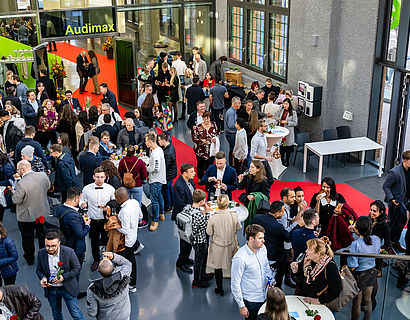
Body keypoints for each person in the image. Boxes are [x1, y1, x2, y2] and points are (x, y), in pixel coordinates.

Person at [36, 232, 84, 320]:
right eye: (47, 246)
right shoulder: (41, 253)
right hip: (51, 289)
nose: (50, 248)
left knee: (76, 314)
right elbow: (39, 270)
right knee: (56, 314)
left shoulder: (69, 252)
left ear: (59, 243)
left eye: (53, 246)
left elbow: (77, 268)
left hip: (68, 288)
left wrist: (63, 277)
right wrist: (43, 278)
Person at [12, 160, 50, 265]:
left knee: (27, 238)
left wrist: (14, 193)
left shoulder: (21, 184)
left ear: (22, 169)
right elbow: (48, 187)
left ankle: (30, 258)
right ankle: (45, 256)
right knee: (43, 236)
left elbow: (16, 200)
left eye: (18, 169)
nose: (17, 171)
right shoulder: (42, 175)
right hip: (42, 212)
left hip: (26, 216)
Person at [231, 224, 272, 320]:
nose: (263, 241)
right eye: (260, 238)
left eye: (263, 238)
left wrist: (270, 282)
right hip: (251, 301)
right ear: (251, 239)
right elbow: (235, 283)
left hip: (266, 297)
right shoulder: (240, 258)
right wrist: (242, 306)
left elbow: (266, 268)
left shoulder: (263, 249)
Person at [80, 167, 115, 271]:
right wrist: (82, 204)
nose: (100, 179)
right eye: (98, 177)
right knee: (94, 242)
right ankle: (96, 260)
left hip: (106, 220)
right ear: (93, 177)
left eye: (102, 177)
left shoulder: (110, 189)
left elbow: (114, 202)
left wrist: (108, 206)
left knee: (106, 241)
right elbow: (82, 200)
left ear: (105, 177)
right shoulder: (86, 189)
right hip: (93, 220)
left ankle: (106, 260)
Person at [207, 194, 242, 296]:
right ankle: (236, 288)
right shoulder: (234, 214)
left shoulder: (213, 217)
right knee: (234, 266)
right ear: (227, 204)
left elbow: (209, 232)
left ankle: (220, 288)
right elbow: (239, 228)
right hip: (231, 244)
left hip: (218, 246)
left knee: (218, 268)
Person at [251, 201, 291, 289]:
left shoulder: (257, 218)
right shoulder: (277, 226)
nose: (284, 213)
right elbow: (288, 238)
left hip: (256, 253)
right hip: (273, 257)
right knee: (275, 280)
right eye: (283, 211)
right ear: (277, 213)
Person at [290, 238, 342, 305]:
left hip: (320, 303)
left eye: (309, 249)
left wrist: (318, 300)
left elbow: (336, 290)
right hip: (304, 298)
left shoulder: (329, 266)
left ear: (318, 254)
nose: (306, 251)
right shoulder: (308, 260)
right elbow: (300, 275)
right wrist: (295, 269)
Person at [348, 216, 381, 320]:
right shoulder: (376, 239)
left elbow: (353, 265)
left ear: (357, 230)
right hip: (372, 272)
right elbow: (377, 252)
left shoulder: (355, 244)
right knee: (368, 300)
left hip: (360, 275)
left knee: (357, 302)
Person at [86, 251, 132, 320]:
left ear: (98, 270)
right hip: (124, 316)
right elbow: (128, 264)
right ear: (114, 269)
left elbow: (92, 313)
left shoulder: (93, 289)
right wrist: (113, 256)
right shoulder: (123, 275)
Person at [114, 187, 142, 292]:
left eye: (116, 198)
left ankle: (122, 284)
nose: (116, 200)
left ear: (120, 198)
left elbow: (125, 230)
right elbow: (140, 216)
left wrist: (115, 226)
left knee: (122, 263)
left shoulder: (124, 211)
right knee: (132, 263)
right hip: (134, 237)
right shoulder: (134, 202)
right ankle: (133, 284)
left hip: (126, 242)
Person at [55, 187, 90, 266]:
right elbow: (80, 234)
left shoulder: (59, 208)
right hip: (75, 248)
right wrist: (87, 224)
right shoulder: (73, 216)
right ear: (75, 199)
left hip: (63, 244)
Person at [382, 150, 410, 251]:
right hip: (397, 203)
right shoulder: (395, 172)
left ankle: (395, 241)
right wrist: (392, 198)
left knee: (402, 223)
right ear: (405, 161)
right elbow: (386, 186)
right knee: (393, 224)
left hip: (407, 201)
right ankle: (388, 244)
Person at [172, 163, 196, 273]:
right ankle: (180, 263)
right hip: (183, 217)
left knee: (189, 239)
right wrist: (194, 208)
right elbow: (180, 204)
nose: (194, 174)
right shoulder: (178, 185)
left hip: (189, 215)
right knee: (185, 240)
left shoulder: (189, 181)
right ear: (184, 173)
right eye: (191, 172)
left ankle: (185, 258)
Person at [188, 189, 211, 288]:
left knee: (202, 258)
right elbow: (207, 225)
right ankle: (196, 281)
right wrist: (207, 213)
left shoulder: (189, 208)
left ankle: (203, 275)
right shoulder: (198, 214)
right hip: (200, 240)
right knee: (199, 260)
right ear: (202, 201)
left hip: (193, 239)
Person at [145, 133, 166, 231]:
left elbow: (155, 168)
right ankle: (161, 214)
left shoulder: (155, 153)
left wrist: (147, 168)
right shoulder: (158, 150)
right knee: (159, 196)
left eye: (146, 141)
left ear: (150, 142)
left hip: (156, 179)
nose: (145, 143)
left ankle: (155, 220)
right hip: (159, 178)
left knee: (154, 200)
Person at [192, 111, 220, 178]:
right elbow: (194, 138)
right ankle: (200, 177)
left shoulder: (214, 125)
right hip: (200, 151)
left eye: (207, 118)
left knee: (209, 165)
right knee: (201, 165)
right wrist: (202, 141)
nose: (206, 120)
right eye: (204, 118)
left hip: (211, 150)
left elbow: (218, 134)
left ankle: (208, 178)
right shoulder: (198, 127)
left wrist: (215, 139)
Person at [250, 119, 274, 187]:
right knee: (259, 181)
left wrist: (270, 149)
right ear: (260, 127)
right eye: (265, 126)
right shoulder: (255, 139)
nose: (267, 127)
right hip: (258, 163)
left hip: (264, 161)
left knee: (270, 180)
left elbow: (262, 148)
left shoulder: (264, 136)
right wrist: (266, 157)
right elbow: (253, 154)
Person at [158, 133, 177, 212]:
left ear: (163, 140)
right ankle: (173, 203)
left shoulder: (167, 152)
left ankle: (168, 206)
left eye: (159, 140)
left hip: (167, 174)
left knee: (166, 190)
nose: (158, 142)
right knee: (170, 188)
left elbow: (165, 166)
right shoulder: (171, 147)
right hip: (172, 173)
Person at [277, 98, 298, 167]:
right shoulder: (281, 110)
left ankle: (287, 160)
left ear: (289, 104)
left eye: (286, 104)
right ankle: (282, 160)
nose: (285, 105)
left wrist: (287, 122)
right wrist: (278, 119)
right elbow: (277, 117)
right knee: (282, 147)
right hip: (281, 131)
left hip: (288, 133)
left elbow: (295, 123)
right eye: (284, 104)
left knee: (288, 147)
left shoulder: (293, 112)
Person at [225, 96, 241, 166]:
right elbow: (231, 125)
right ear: (234, 103)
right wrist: (239, 126)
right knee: (233, 150)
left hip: (231, 133)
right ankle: (232, 164)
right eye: (239, 103)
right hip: (231, 134)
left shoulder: (233, 111)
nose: (240, 104)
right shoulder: (231, 112)